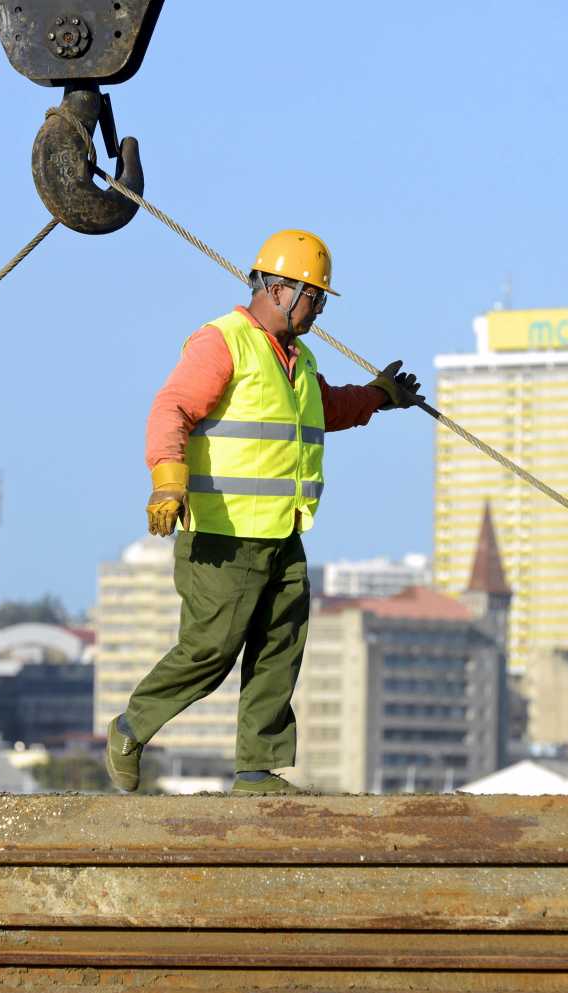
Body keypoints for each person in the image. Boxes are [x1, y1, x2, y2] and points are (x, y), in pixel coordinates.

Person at [105, 229, 420, 795]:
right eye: (314, 297)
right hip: (222, 538)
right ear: (278, 289)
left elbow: (327, 408)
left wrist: (378, 396)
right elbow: (171, 408)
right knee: (211, 649)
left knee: (281, 643)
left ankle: (256, 769)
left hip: (282, 533)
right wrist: (167, 483)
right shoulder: (222, 343)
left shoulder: (297, 361)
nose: (318, 309)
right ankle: (132, 727)